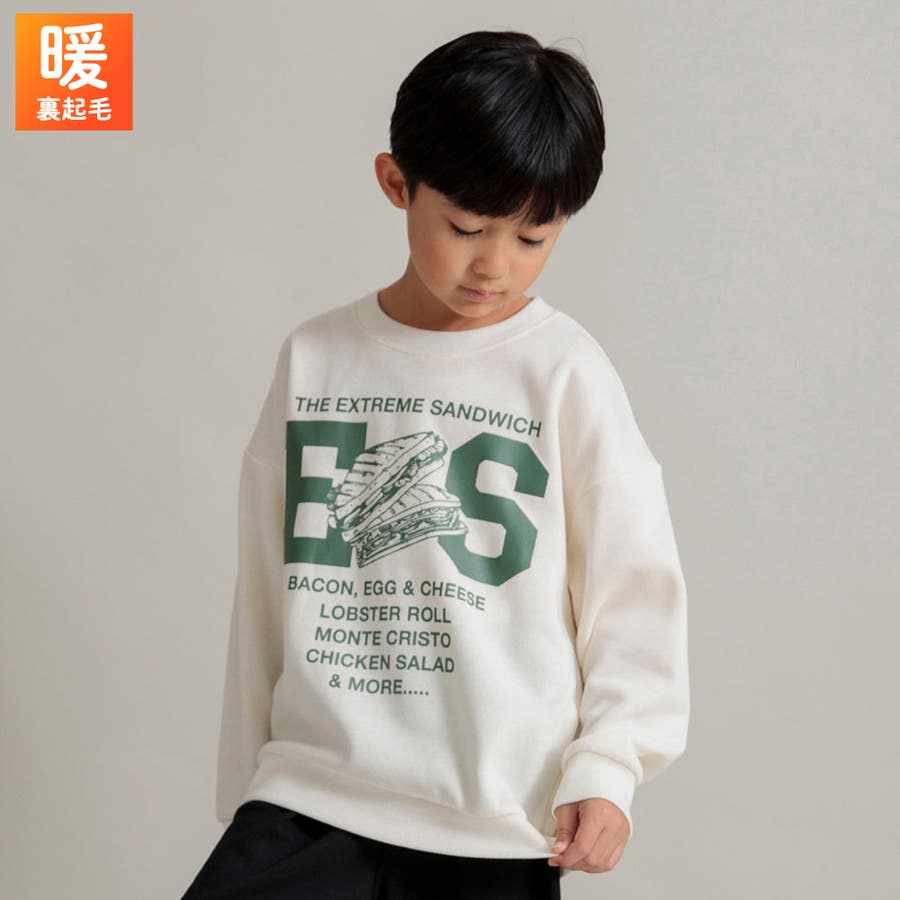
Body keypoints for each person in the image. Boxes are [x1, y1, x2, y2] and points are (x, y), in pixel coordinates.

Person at [180, 28, 690, 900]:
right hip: (310, 792)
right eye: (466, 228)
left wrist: (610, 765)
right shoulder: (316, 360)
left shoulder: (565, 373)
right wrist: (246, 790)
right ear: (396, 184)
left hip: (492, 823)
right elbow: (266, 587)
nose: (496, 264)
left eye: (533, 236)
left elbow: (632, 590)